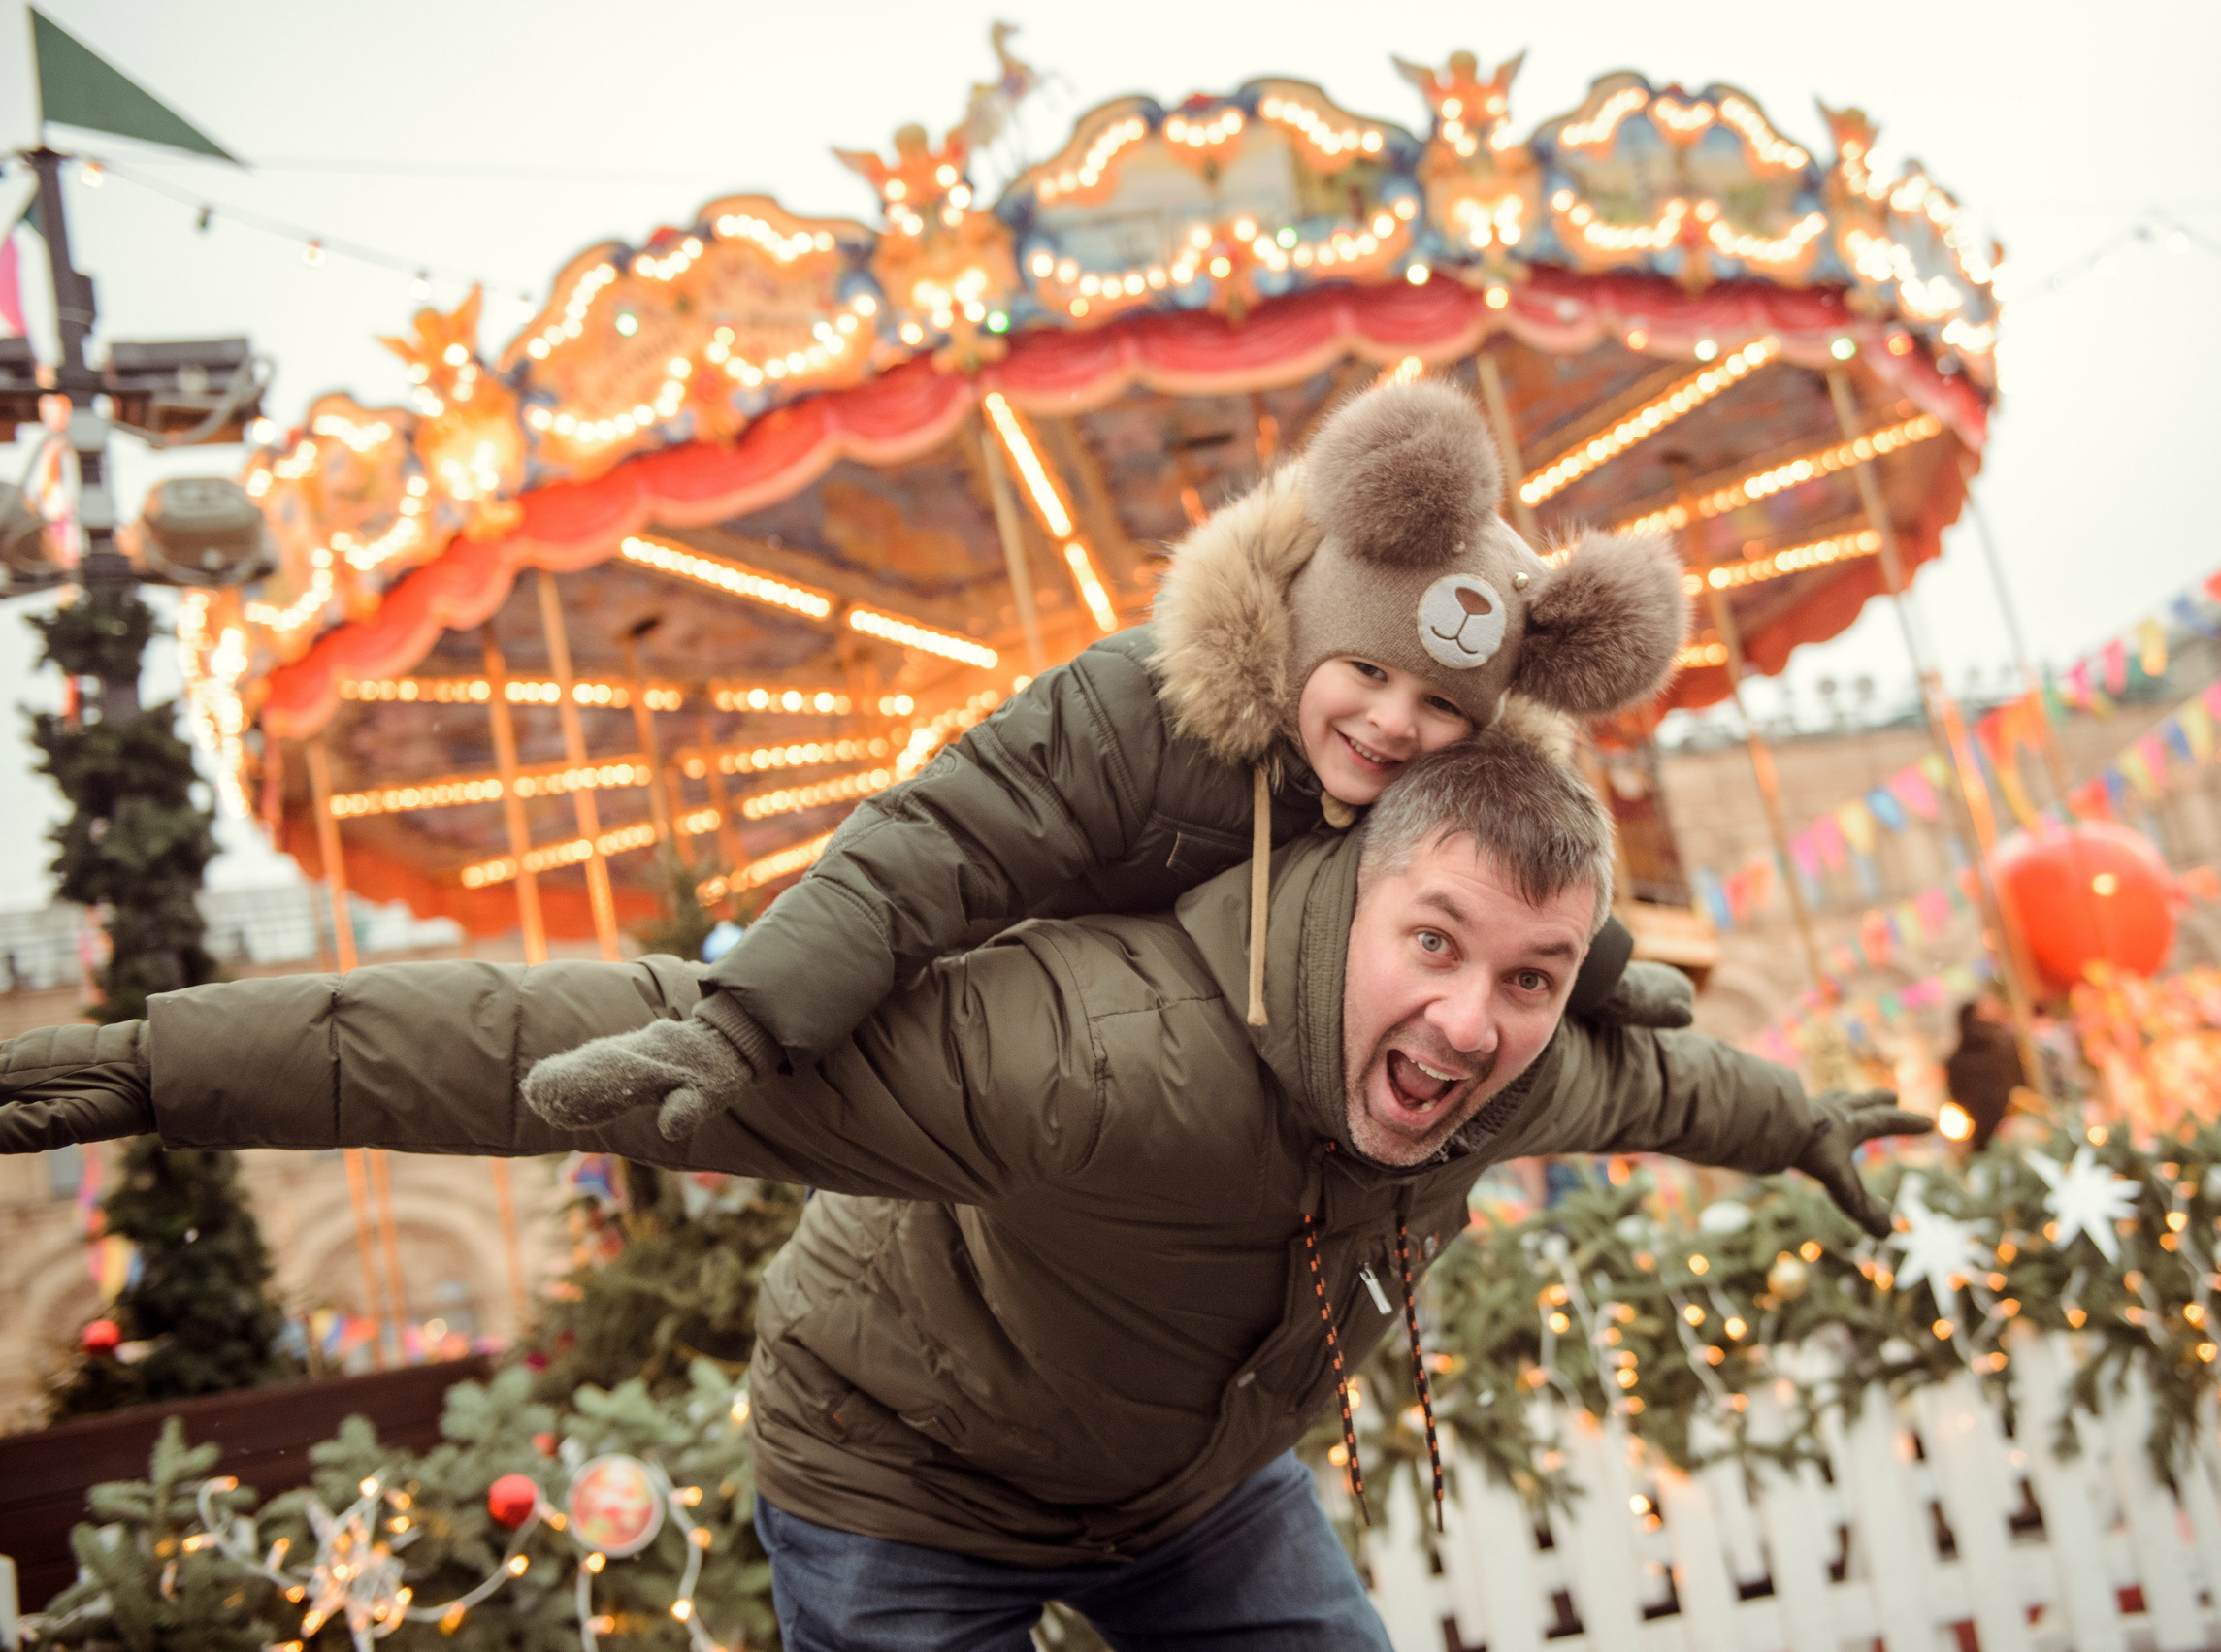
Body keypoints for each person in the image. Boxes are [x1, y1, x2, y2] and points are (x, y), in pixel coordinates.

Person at [2, 736, 1927, 1650]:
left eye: (1526, 973)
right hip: (900, 1466)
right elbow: (587, 1019)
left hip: (1192, 1491)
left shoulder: (1518, 1065)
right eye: (1433, 940)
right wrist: (165, 1060)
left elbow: (1678, 1077)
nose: (1470, 1015)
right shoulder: (1093, 1056)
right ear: (1348, 894)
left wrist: (1810, 1119)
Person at [525, 377, 1693, 1142]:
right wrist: (743, 1021)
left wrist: (1591, 969)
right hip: (1046, 1041)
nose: (1393, 724)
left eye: (1442, 702)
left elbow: (1505, 909)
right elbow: (939, 844)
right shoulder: (1129, 710)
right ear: (1298, 633)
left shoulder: (1445, 790)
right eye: (1367, 671)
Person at [1943, 992, 2024, 1152]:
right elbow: (2021, 1081)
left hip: (1983, 1131)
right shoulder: (2003, 1044)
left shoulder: (1955, 1060)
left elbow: (1957, 1098)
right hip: (2016, 1121)